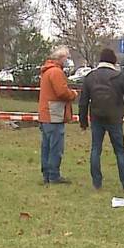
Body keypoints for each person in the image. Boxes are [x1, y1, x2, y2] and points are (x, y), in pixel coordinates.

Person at [78, 48, 124, 193]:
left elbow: (83, 101)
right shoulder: (119, 76)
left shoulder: (90, 77)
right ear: (114, 60)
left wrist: (83, 122)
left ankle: (97, 183)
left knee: (95, 150)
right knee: (119, 151)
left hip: (96, 117)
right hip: (114, 118)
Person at [37, 46, 79, 185]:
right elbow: (61, 92)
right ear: (61, 58)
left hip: (46, 113)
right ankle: (54, 175)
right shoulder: (56, 72)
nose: (67, 61)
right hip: (54, 114)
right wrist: (73, 94)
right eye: (66, 58)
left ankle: (47, 174)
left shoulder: (47, 71)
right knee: (56, 147)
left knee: (46, 146)